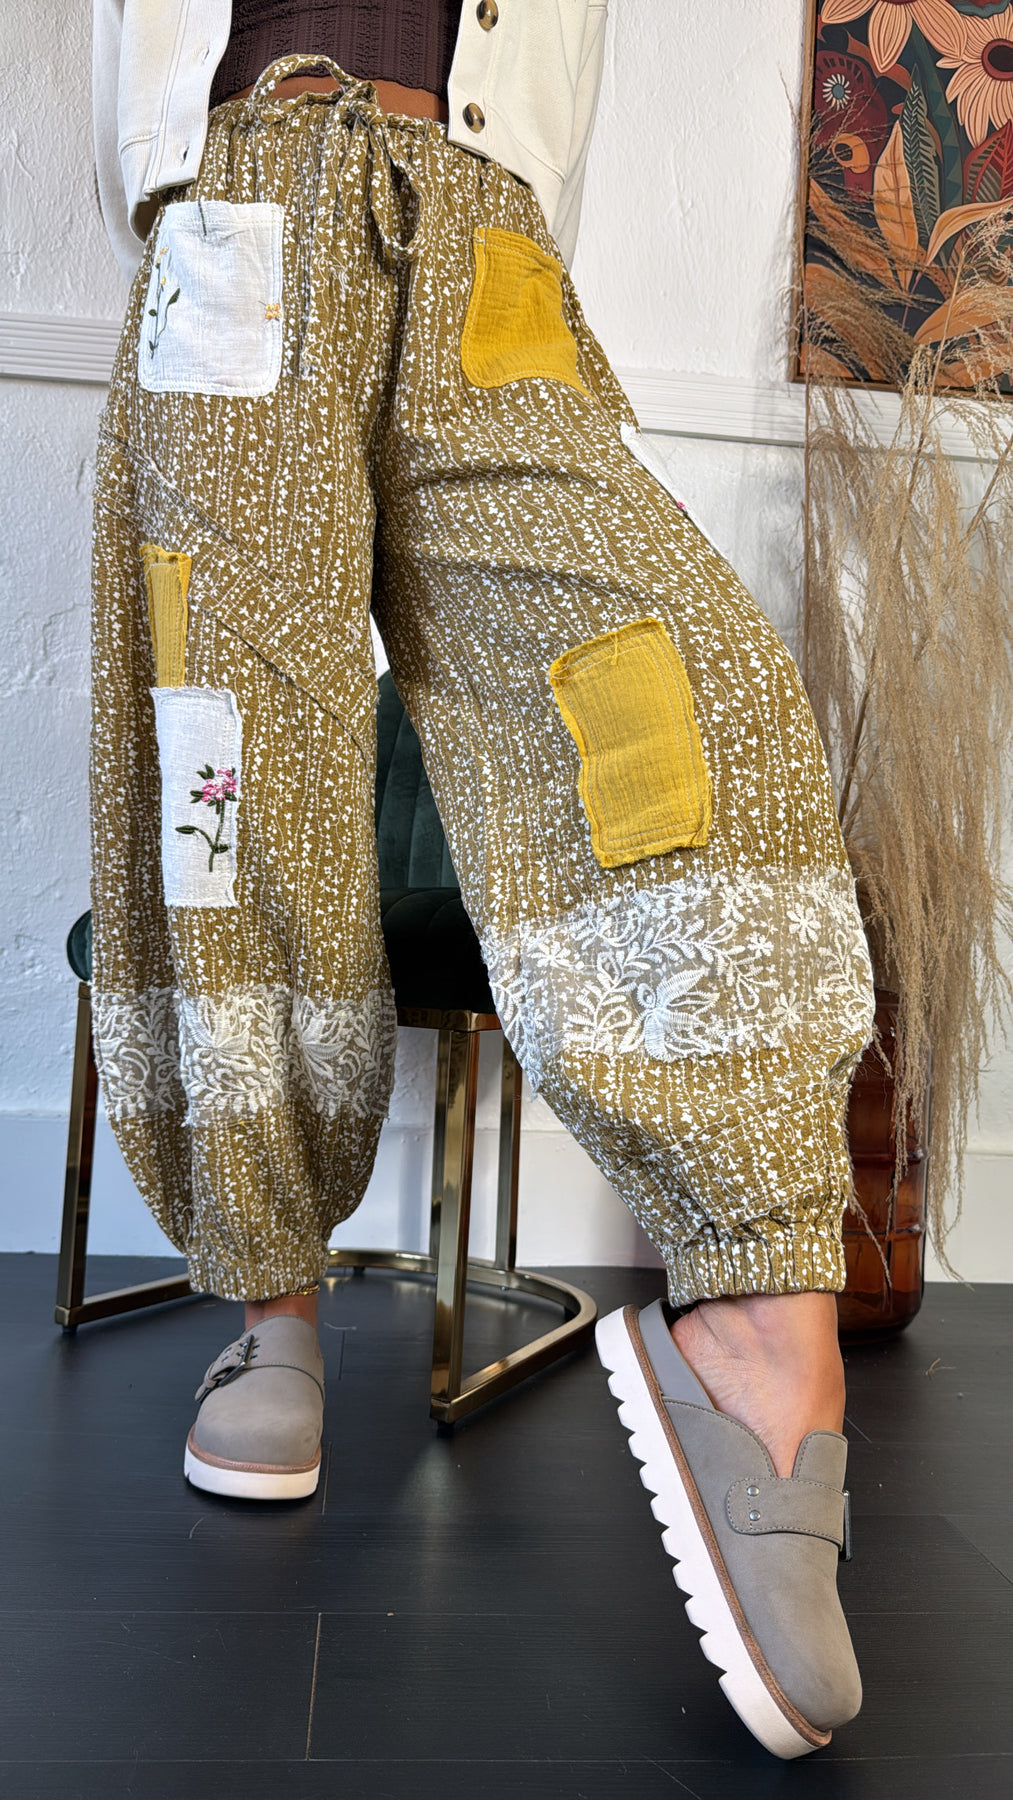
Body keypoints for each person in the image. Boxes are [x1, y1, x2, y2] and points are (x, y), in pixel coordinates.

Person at [90, 0, 876, 1761]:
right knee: (235, 765)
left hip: (479, 226)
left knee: (689, 697)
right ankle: (271, 1303)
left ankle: (757, 1296)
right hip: (238, 195)